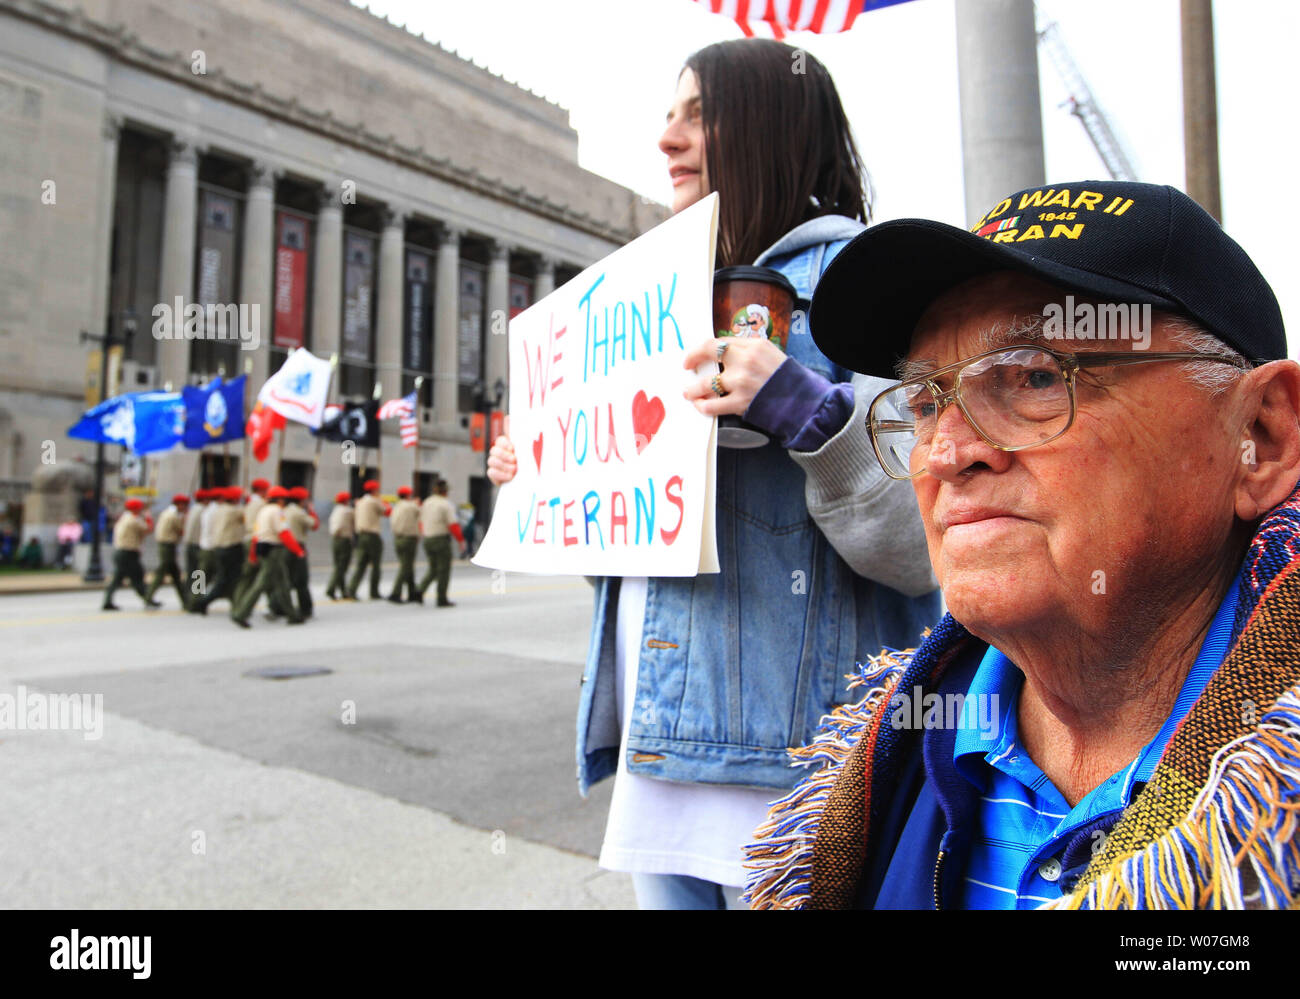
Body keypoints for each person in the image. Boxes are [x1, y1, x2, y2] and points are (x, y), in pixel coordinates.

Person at [743, 179, 1300, 910]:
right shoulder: (892, 759)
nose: (947, 452)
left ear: (1258, 436)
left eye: (1035, 376)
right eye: (923, 402)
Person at [488, 39, 939, 909]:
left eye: (699, 114)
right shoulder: (652, 297)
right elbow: (643, 545)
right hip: (661, 756)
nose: (667, 139)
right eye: (667, 115)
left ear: (771, 127)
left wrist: (810, 414)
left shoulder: (864, 282)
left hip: (796, 776)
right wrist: (550, 480)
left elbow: (923, 541)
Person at [231, 485, 305, 628]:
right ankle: (241, 613)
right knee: (261, 583)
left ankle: (292, 615)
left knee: (282, 583)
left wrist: (253, 554)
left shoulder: (263, 511)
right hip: (273, 550)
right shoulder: (277, 512)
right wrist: (297, 550)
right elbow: (284, 533)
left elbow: (255, 535)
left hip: (262, 547)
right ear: (280, 500)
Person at [102, 498, 160, 610]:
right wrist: (148, 516)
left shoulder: (124, 517)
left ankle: (108, 601)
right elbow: (148, 529)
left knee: (118, 579)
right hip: (128, 554)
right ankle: (148, 599)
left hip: (121, 552)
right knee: (138, 577)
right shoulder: (133, 520)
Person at [416, 479, 465, 607]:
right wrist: (461, 540)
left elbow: (420, 522)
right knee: (443, 570)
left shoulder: (426, 502)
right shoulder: (445, 504)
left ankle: (420, 590)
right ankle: (441, 598)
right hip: (440, 540)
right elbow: (453, 525)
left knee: (433, 569)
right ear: (445, 491)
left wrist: (424, 534)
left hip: (427, 539)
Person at [346, 479, 388, 600]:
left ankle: (352, 589)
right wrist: (382, 501)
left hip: (361, 535)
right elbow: (387, 511)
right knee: (376, 565)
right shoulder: (374, 501)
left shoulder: (360, 502)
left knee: (361, 565)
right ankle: (374, 591)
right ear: (374, 490)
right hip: (372, 535)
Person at [144, 493, 189, 606]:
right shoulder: (173, 516)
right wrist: (184, 519)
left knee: (176, 575)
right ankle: (149, 596)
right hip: (168, 545)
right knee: (163, 572)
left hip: (167, 545)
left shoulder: (167, 513)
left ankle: (186, 600)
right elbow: (181, 530)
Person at [283, 486, 318, 618]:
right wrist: (311, 511)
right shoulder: (299, 512)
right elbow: (315, 525)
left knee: (286, 578)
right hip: (297, 546)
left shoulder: (284, 510)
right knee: (302, 580)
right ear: (301, 500)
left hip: (284, 547)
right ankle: (305, 608)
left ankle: (278, 605)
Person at [386, 485, 421, 603]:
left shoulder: (396, 506)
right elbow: (420, 512)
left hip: (397, 539)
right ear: (407, 495)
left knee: (408, 565)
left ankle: (412, 592)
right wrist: (417, 503)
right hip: (408, 539)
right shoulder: (411, 506)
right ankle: (396, 592)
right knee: (406, 566)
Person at [325, 491, 354, 601]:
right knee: (341, 567)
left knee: (338, 565)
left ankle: (343, 590)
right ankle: (331, 588)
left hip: (335, 540)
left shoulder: (335, 510)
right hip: (344, 540)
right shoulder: (347, 511)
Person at [181, 487, 207, 606]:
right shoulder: (203, 510)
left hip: (189, 544)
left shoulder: (192, 510)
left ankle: (187, 599)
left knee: (191, 572)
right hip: (198, 545)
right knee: (199, 573)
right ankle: (196, 600)